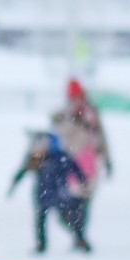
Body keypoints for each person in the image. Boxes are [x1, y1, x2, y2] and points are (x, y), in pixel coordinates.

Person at [9, 130, 90, 253]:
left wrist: (83, 180)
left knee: (67, 218)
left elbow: (74, 168)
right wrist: (14, 184)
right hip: (43, 194)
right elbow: (23, 170)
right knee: (41, 220)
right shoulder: (37, 158)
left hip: (59, 193)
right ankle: (42, 245)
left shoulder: (60, 156)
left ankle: (80, 239)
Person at [51, 79, 111, 243]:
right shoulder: (63, 115)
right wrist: (74, 120)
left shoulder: (92, 113)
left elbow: (101, 135)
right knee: (67, 205)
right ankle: (77, 233)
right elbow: (61, 134)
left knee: (85, 203)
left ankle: (80, 235)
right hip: (70, 163)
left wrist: (107, 159)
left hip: (90, 162)